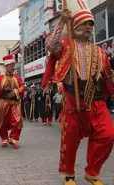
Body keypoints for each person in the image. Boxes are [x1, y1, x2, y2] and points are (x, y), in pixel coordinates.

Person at [43, 1, 114, 184]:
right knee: (71, 141)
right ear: (75, 26)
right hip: (73, 99)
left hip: (96, 100)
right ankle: (69, 175)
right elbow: (50, 46)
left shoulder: (100, 52)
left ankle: (92, 172)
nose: (89, 28)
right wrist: (61, 22)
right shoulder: (66, 46)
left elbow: (107, 76)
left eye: (91, 24)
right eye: (85, 24)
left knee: (108, 135)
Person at [0, 54, 24, 149]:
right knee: (2, 122)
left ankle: (13, 138)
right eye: (11, 66)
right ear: (6, 66)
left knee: (17, 121)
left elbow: (22, 87)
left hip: (14, 104)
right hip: (3, 104)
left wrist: (16, 92)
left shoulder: (17, 78)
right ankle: (4, 138)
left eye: (13, 65)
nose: (13, 67)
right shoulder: (0, 78)